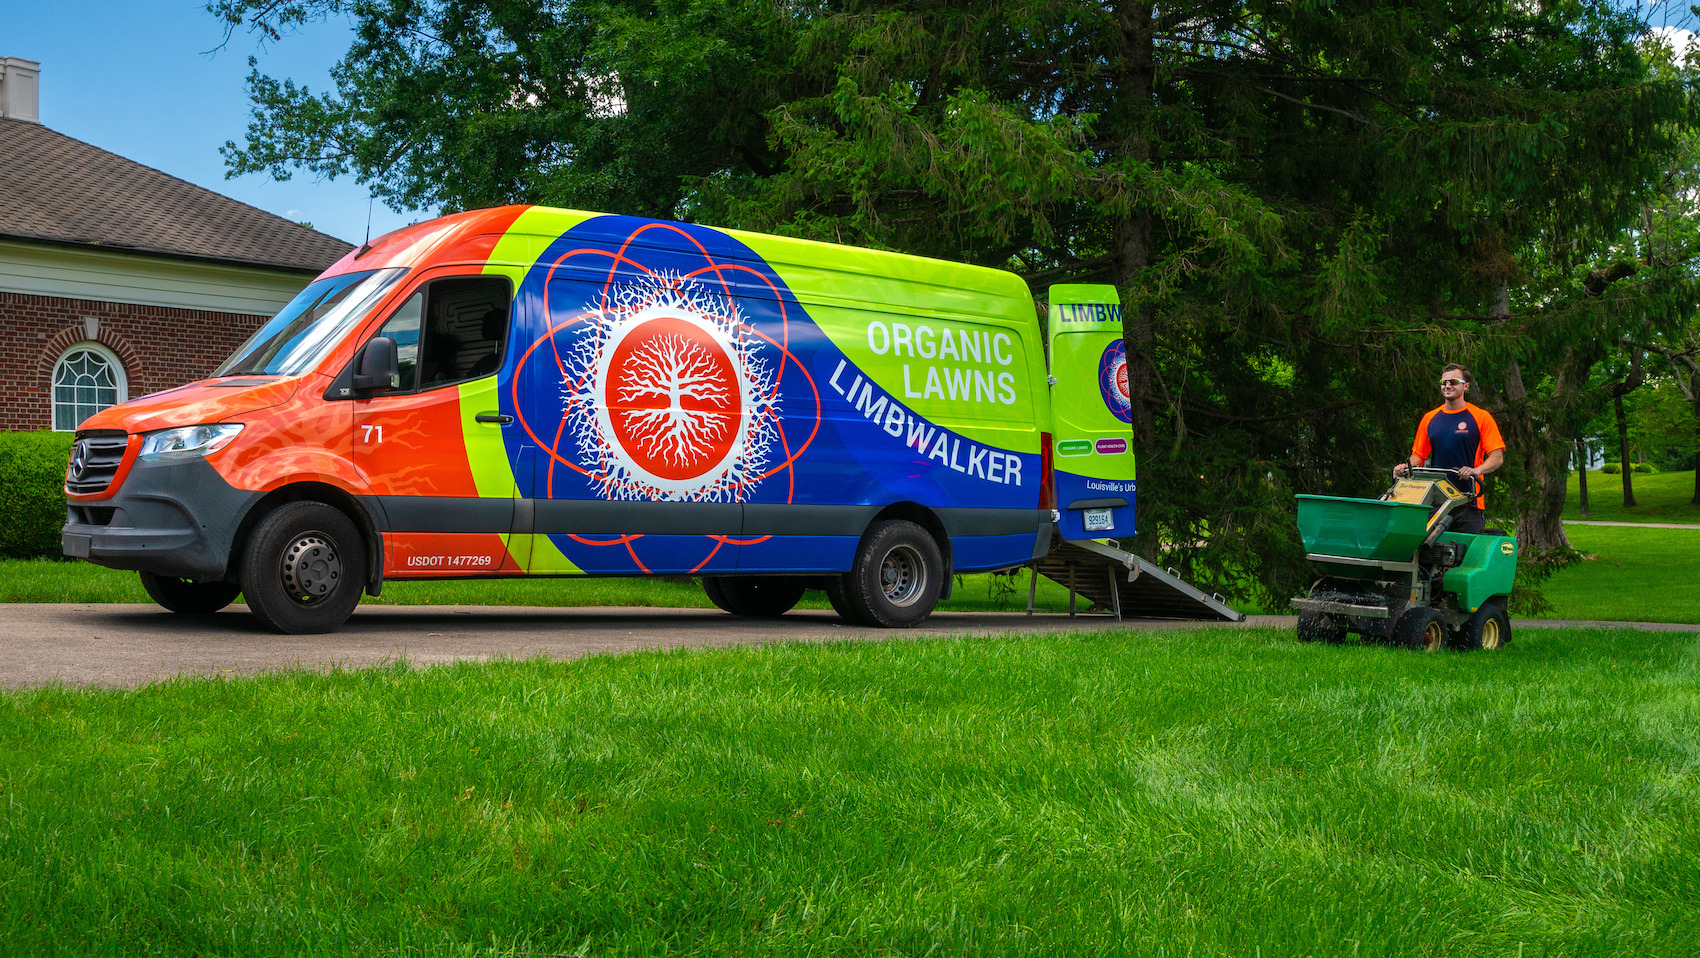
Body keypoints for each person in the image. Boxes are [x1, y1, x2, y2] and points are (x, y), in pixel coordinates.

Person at [1392, 362, 1505, 535]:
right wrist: (1404, 468)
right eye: (1444, 382)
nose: (1447, 385)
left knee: (1466, 554)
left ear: (1466, 386)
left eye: (1453, 381)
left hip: (1469, 500)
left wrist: (1476, 470)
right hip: (1436, 499)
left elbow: (1497, 457)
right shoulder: (1430, 418)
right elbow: (1418, 457)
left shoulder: (1481, 417)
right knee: (1429, 552)